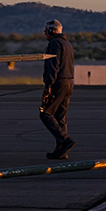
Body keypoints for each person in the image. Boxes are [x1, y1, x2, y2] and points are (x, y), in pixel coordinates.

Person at [39, 18, 75, 160]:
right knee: (61, 117)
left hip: (58, 83)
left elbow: (53, 66)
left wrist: (48, 85)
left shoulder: (54, 44)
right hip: (69, 82)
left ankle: (65, 140)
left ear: (51, 31)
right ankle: (61, 151)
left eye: (46, 30)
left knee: (46, 113)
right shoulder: (67, 44)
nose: (44, 33)